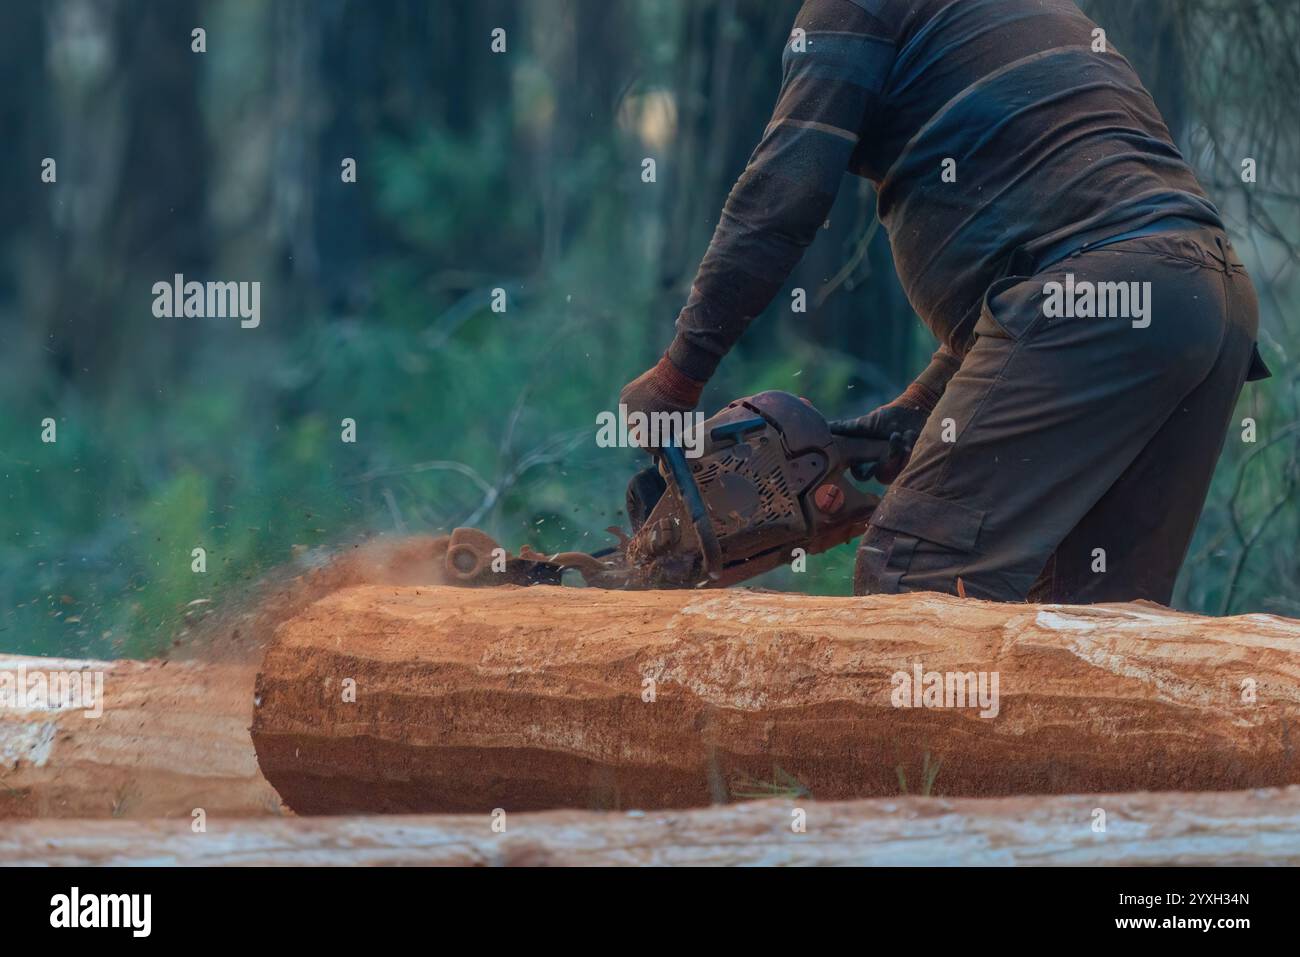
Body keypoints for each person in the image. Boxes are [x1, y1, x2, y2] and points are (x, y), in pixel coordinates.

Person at [618, 0, 1268, 604]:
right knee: (1094, 629)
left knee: (911, 581)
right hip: (1208, 300)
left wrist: (680, 374)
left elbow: (783, 194)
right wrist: (918, 408)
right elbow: (1055, 241)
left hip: (1098, 300)